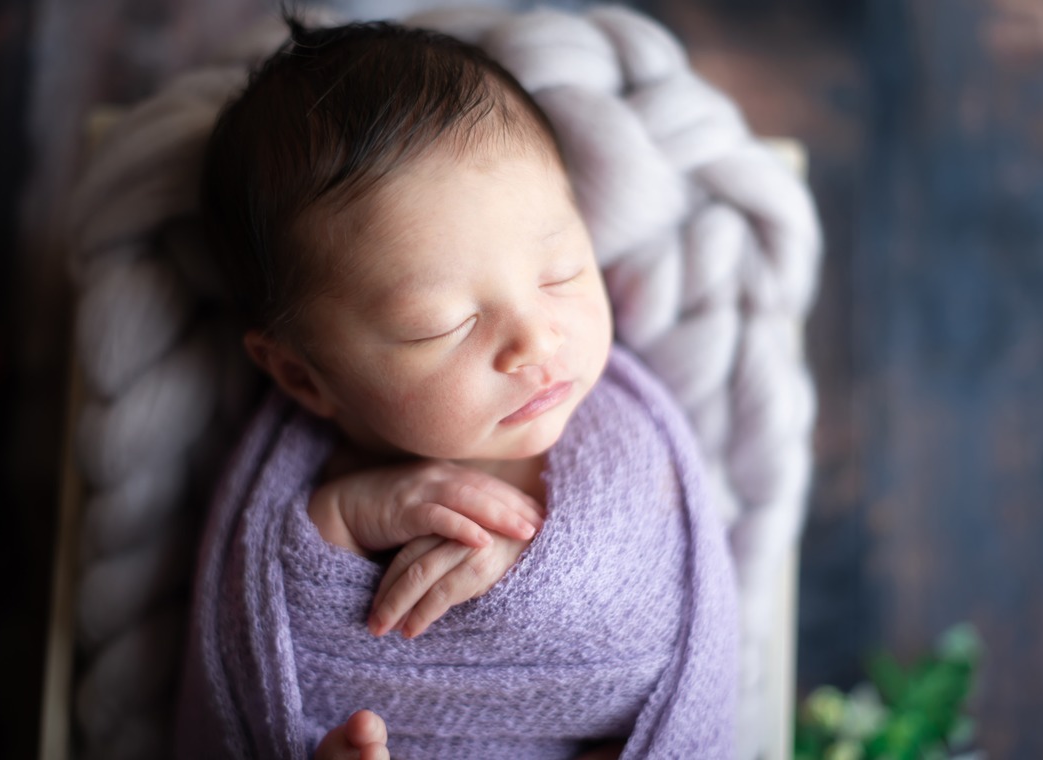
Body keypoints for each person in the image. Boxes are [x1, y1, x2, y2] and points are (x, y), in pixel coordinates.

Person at [178, 16, 737, 760]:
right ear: (303, 377)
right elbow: (268, 650)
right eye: (442, 325)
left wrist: (535, 582)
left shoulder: (624, 451)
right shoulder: (295, 496)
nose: (536, 340)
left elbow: (656, 630)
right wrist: (340, 518)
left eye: (561, 274)